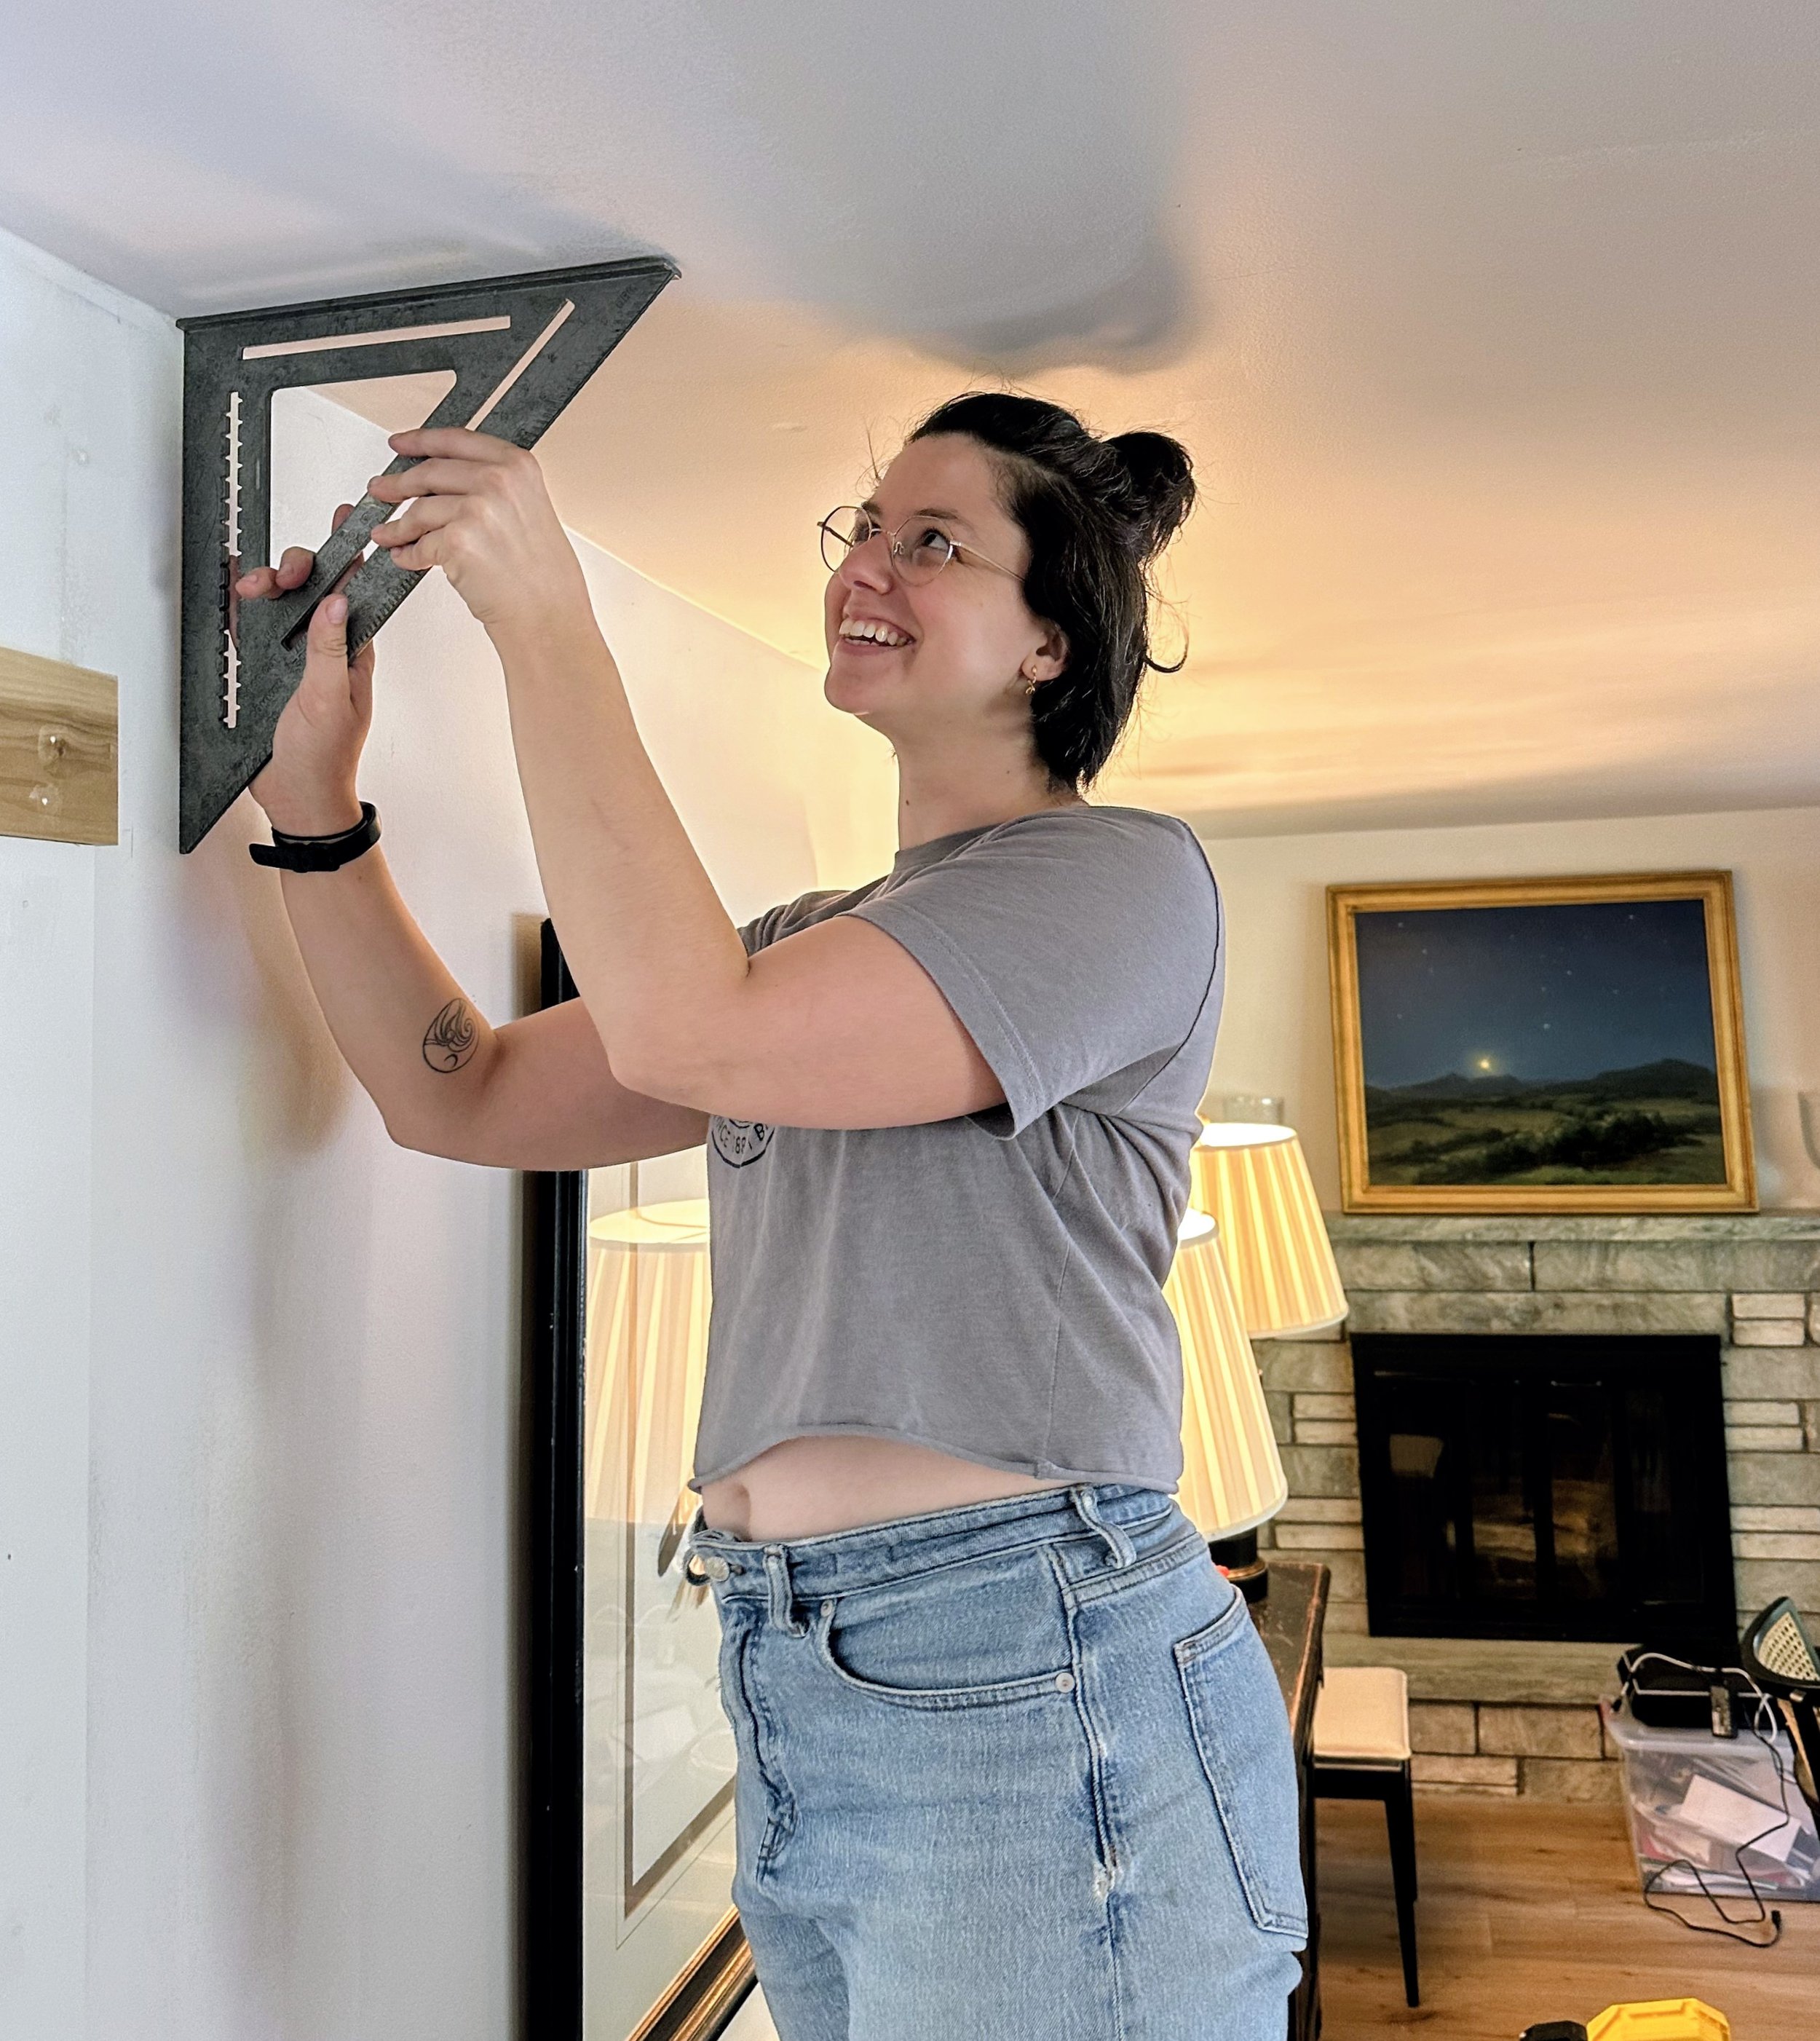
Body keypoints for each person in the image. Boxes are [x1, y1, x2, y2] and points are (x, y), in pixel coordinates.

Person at [238, 390, 1306, 2040]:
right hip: (801, 1655)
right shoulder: (805, 942)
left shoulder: (1119, 881)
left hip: (1027, 1652)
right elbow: (454, 1093)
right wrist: (314, 805)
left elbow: (692, 1031)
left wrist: (543, 617)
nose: (866, 565)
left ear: (1047, 645)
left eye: (933, 542)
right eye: (864, 529)